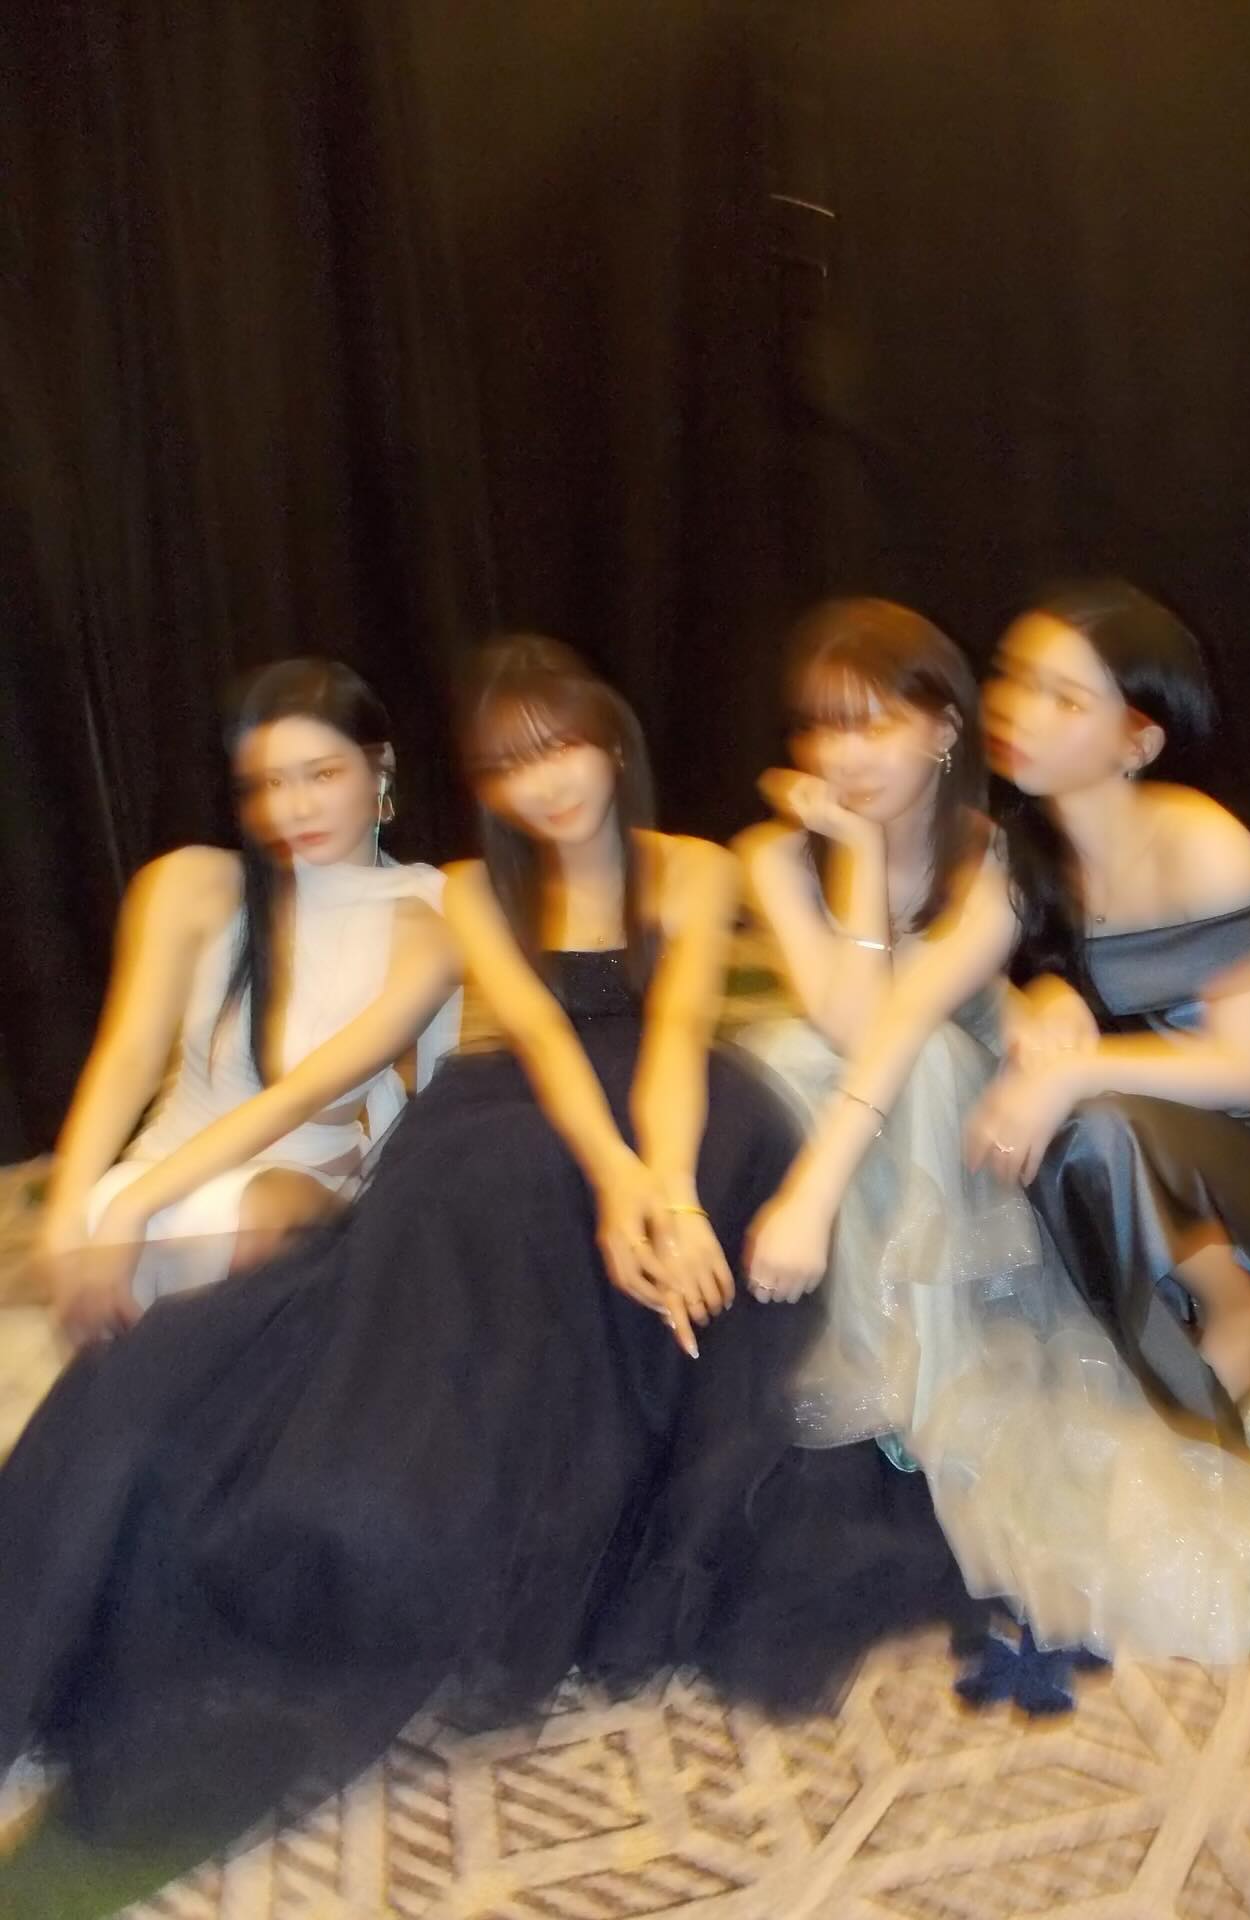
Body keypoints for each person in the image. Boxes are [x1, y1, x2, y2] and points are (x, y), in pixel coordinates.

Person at [0, 638, 974, 1854]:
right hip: (530, 1114)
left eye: (559, 747)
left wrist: (668, 1194)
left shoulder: (694, 865)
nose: (542, 782)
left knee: (592, 1239)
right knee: (424, 1263)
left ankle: (528, 1489)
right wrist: (616, 1187)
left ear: (610, 742)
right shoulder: (472, 888)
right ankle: (339, 1514)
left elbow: (674, 1031)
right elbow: (548, 1046)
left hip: (684, 1115)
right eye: (509, 765)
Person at [747, 581, 1250, 1667]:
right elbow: (899, 1015)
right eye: (1015, 680)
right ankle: (1170, 1320)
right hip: (1148, 1134)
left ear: (1137, 740)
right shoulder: (1023, 854)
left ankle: (1239, 1306)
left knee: (1073, 1114)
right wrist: (809, 1194)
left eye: (1064, 698)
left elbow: (1244, 1069)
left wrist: (1068, 1068)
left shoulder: (1205, 842)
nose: (1017, 710)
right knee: (1030, 1118)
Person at [37, 659, 461, 1343]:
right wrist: (67, 1216)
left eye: (322, 775)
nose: (295, 809)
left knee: (246, 1221)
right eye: (270, 783)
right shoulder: (191, 883)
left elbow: (299, 1096)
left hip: (294, 1188)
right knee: (107, 1229)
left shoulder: (428, 923)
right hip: (160, 1171)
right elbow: (128, 1057)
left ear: (378, 768)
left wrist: (133, 1208)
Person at [734, 599, 1047, 1463]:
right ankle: (845, 1356)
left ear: (944, 729)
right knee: (780, 1051)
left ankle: (933, 1380)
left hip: (963, 1113)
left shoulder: (995, 861)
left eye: (873, 726)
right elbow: (846, 1023)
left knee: (931, 1056)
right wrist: (860, 855)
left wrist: (811, 1197)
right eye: (823, 728)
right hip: (851, 1084)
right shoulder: (774, 856)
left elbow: (898, 1026)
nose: (842, 757)